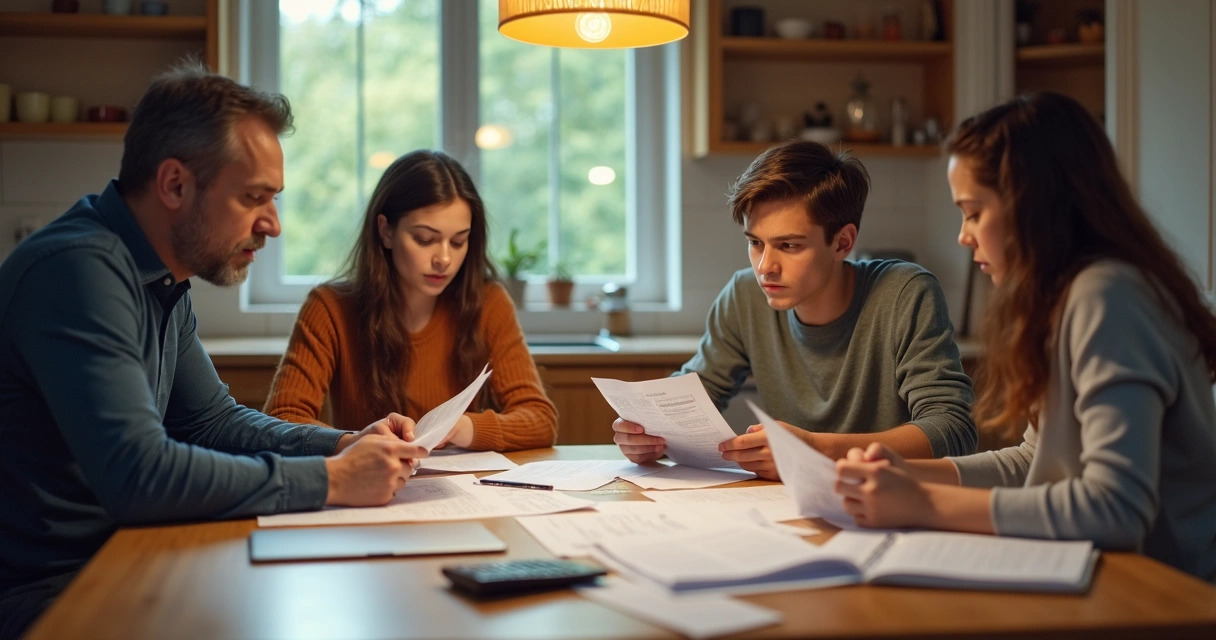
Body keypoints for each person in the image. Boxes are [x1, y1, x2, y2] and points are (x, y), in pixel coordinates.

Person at [0, 62, 426, 639]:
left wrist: (345, 442)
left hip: (127, 556)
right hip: (51, 590)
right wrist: (331, 479)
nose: (273, 225)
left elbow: (211, 421)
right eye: (254, 197)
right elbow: (139, 477)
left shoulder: (160, 278)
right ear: (175, 184)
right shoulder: (78, 271)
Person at [834, 92, 1216, 582]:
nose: (963, 235)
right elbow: (1035, 463)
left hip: (1165, 595)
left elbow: (1117, 509)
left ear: (1033, 204)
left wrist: (924, 503)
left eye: (973, 212)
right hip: (1113, 580)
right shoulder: (1065, 298)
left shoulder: (1106, 297)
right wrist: (907, 473)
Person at [613, 140, 977, 479]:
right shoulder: (744, 295)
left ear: (843, 242)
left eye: (788, 245)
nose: (764, 267)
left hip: (891, 501)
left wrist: (815, 449)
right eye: (756, 243)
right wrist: (648, 431)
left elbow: (952, 429)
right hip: (791, 503)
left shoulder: (905, 293)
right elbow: (695, 392)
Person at [263, 150, 557, 451]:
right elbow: (282, 420)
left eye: (458, 242)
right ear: (386, 231)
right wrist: (354, 443)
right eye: (425, 239)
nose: (444, 259)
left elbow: (539, 419)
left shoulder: (487, 302)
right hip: (366, 487)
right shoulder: (330, 308)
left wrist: (461, 426)